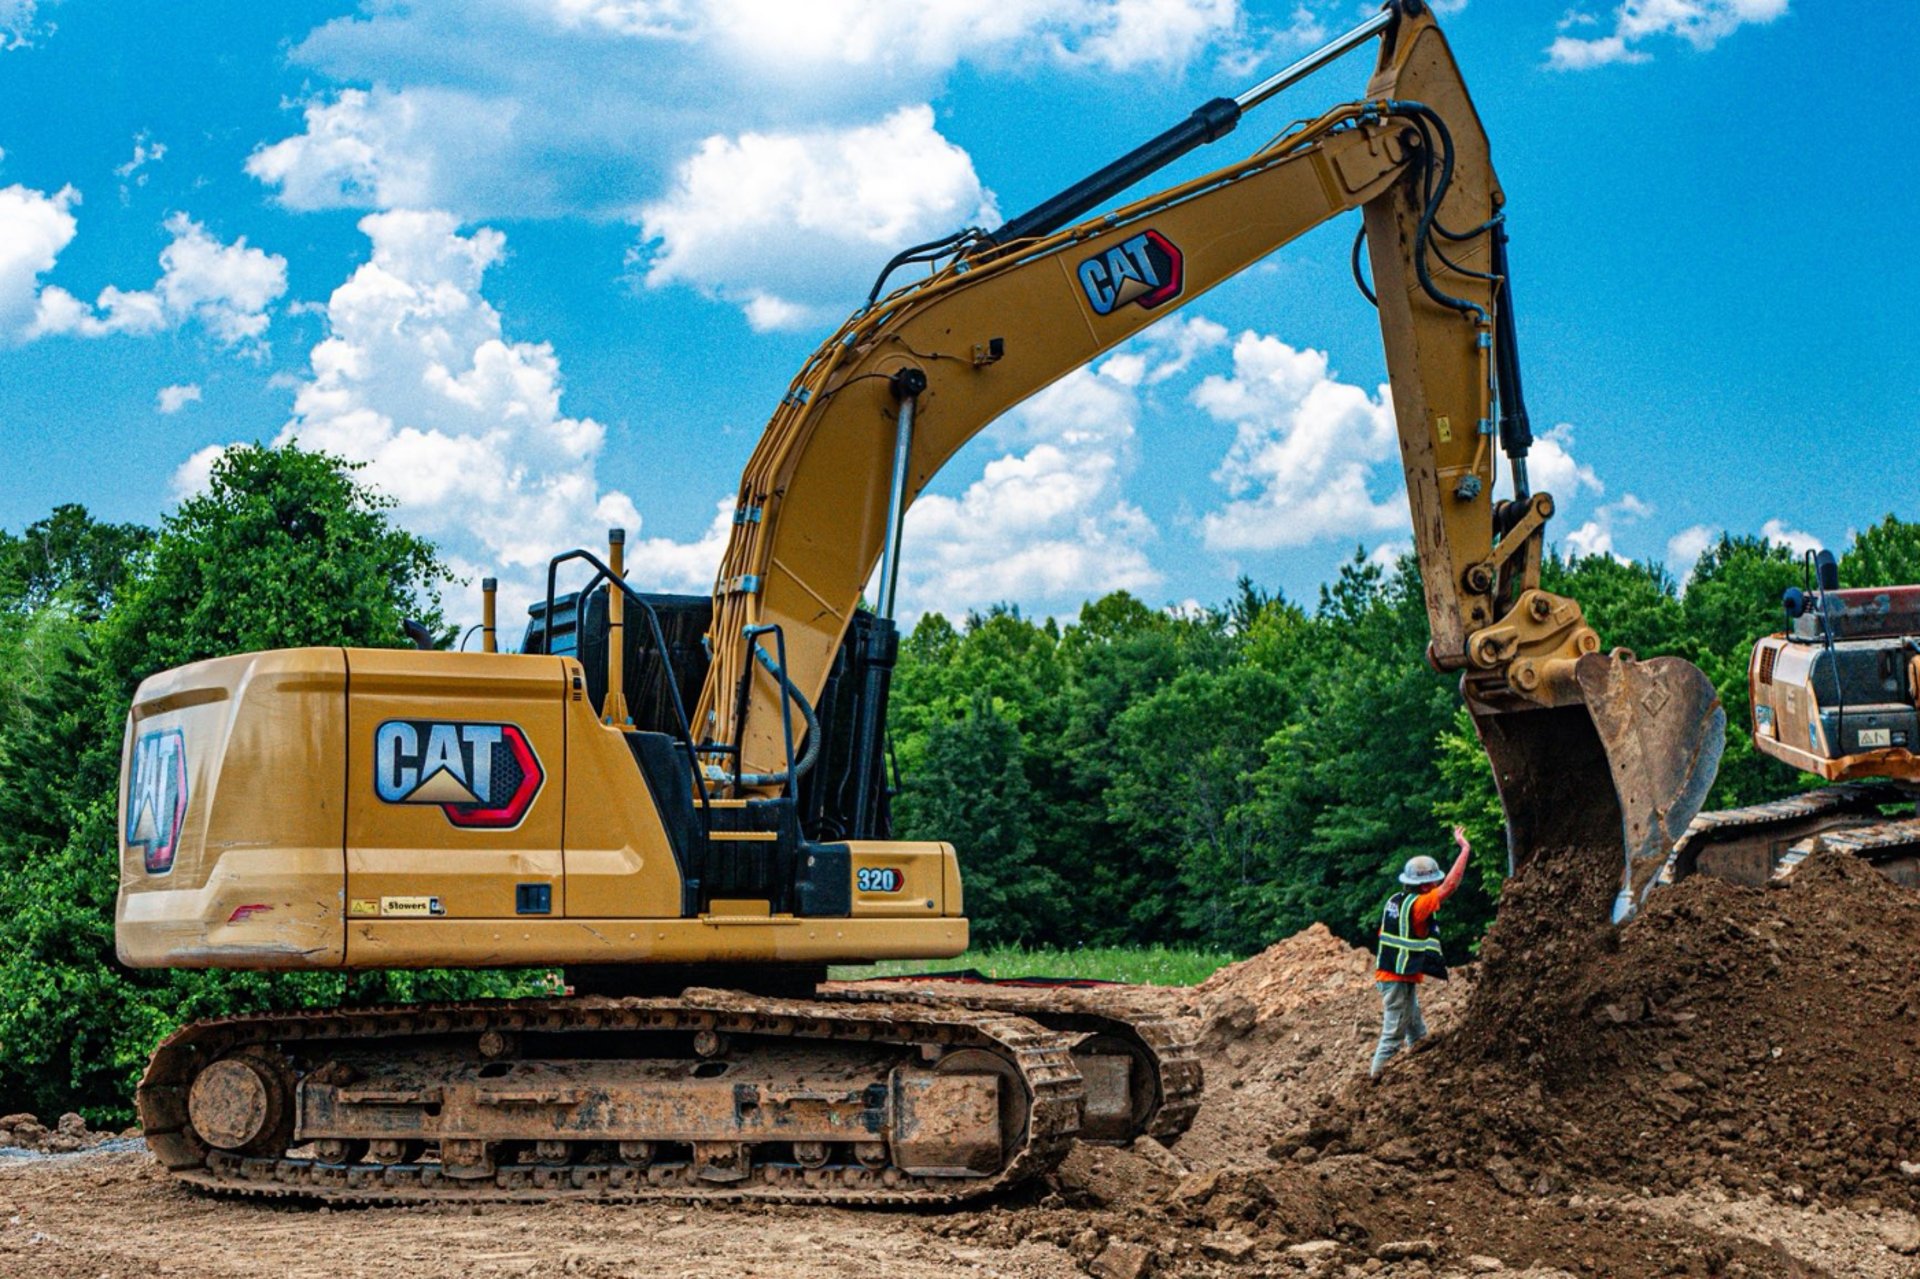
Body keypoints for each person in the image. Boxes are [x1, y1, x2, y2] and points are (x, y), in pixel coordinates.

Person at [1370, 824, 1471, 1078]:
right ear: (1425, 885)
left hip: (1397, 976)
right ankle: (1371, 1088)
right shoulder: (1420, 905)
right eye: (1433, 880)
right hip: (1396, 980)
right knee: (1392, 1038)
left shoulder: (1396, 901)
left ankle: (1426, 1077)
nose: (1437, 882)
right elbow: (1450, 886)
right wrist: (1465, 849)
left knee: (1417, 1031)